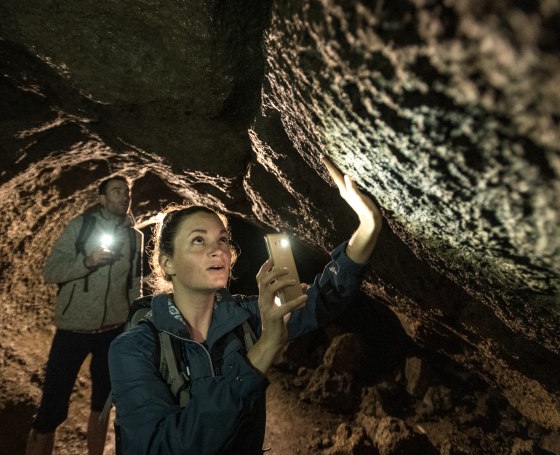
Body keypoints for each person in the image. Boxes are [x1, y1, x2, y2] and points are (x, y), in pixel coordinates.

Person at [108, 157, 382, 454]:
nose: (217, 249)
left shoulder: (246, 317)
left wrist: (369, 225)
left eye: (223, 239)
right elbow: (163, 447)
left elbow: (324, 300)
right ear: (167, 263)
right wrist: (265, 349)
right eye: (198, 240)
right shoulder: (135, 347)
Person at [26, 175, 144, 455]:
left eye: (127, 192)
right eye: (116, 192)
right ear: (102, 199)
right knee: (52, 406)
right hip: (73, 330)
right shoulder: (80, 227)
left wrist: (131, 326)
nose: (124, 197)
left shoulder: (134, 236)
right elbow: (50, 272)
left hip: (113, 331)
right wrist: (86, 262)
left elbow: (134, 284)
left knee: (103, 403)